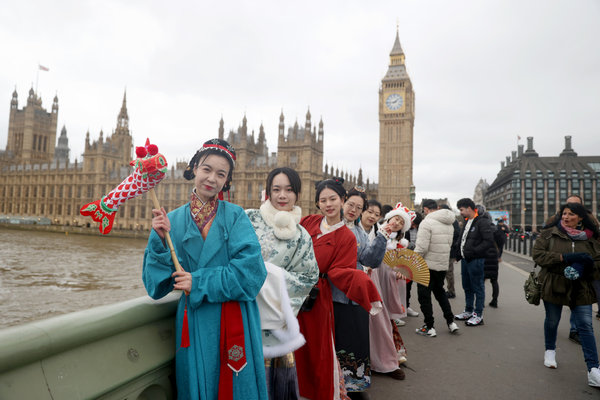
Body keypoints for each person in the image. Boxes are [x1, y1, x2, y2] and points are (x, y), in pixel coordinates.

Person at [143, 138, 268, 400]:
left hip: (234, 316)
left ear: (227, 181)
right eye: (206, 169)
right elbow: (155, 286)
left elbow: (252, 275)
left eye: (221, 174)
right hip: (195, 321)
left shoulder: (236, 216)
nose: (212, 178)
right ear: (194, 169)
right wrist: (159, 239)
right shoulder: (172, 220)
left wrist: (199, 282)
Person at [295, 177, 382, 400]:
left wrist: (364, 285)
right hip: (295, 292)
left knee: (320, 348)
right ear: (317, 203)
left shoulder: (347, 236)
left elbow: (340, 271)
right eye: (323, 200)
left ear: (341, 200)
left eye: (333, 198)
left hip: (319, 297)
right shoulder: (309, 222)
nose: (328, 204)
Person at [245, 167, 319, 400]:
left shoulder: (302, 236)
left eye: (288, 190)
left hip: (274, 323)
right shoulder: (249, 218)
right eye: (276, 190)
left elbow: (308, 278)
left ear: (297, 193)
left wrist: (269, 276)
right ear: (267, 193)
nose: (282, 196)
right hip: (242, 310)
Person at [532, 202, 600, 387]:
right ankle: (550, 351)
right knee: (553, 320)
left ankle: (594, 369)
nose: (566, 217)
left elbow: (598, 261)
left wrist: (585, 267)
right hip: (554, 284)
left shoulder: (592, 238)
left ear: (580, 218)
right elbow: (538, 255)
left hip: (581, 287)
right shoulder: (549, 233)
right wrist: (565, 258)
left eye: (571, 214)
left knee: (585, 325)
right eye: (564, 214)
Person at [334, 187, 388, 398]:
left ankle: (354, 385)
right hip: (333, 295)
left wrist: (383, 235)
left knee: (356, 340)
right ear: (342, 203)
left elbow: (371, 259)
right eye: (350, 205)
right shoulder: (330, 227)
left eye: (359, 207)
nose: (353, 210)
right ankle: (335, 383)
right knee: (336, 341)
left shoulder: (359, 233)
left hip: (355, 297)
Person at [369, 202, 413, 380]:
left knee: (384, 321)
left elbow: (404, 267)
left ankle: (388, 358)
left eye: (401, 222)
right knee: (374, 321)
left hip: (387, 284)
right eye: (396, 219)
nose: (397, 223)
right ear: (389, 217)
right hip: (372, 279)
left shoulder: (399, 243)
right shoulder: (374, 232)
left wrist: (400, 274)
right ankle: (381, 359)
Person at [413, 199, 459, 337]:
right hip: (442, 265)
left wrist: (412, 261)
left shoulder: (426, 222)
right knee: (440, 293)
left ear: (426, 209)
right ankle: (451, 322)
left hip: (426, 265)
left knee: (424, 296)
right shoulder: (449, 223)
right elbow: (449, 244)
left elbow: (421, 247)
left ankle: (429, 326)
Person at [454, 198, 494, 327]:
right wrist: (458, 254)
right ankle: (468, 310)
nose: (460, 212)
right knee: (467, 286)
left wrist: (474, 252)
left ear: (469, 208)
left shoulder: (482, 221)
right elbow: (462, 238)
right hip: (465, 259)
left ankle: (478, 314)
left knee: (478, 287)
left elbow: (488, 241)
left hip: (475, 260)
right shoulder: (467, 221)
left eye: (461, 209)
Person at [403, 211, 423, 317]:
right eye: (413, 223)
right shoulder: (403, 228)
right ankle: (398, 308)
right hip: (403, 259)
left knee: (408, 285)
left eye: (416, 225)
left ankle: (406, 306)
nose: (413, 226)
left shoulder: (421, 229)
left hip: (415, 259)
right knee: (400, 286)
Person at [440, 204, 460, 299]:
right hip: (445, 249)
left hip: (449, 249)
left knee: (449, 272)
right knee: (445, 272)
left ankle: (451, 291)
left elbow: (457, 233)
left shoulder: (452, 220)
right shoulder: (450, 220)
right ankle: (447, 290)